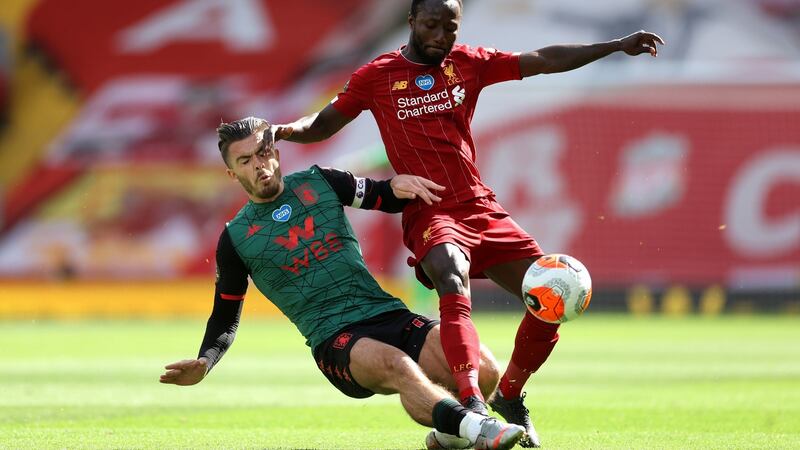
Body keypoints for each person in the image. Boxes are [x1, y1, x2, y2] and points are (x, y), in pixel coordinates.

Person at [273, 0, 665, 447]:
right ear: (412, 22)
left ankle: (509, 395)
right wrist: (284, 130)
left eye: (450, 28)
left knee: (553, 293)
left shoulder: (468, 63)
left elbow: (542, 59)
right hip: (430, 209)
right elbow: (323, 125)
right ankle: (473, 402)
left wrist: (614, 45)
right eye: (431, 25)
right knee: (452, 277)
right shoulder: (377, 76)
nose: (441, 36)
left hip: (481, 206)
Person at [159, 117, 527, 450]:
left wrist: (398, 185)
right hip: (334, 338)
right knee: (399, 366)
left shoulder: (321, 181)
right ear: (232, 173)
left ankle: (448, 437)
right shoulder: (235, 238)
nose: (259, 165)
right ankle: (479, 429)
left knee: (482, 368)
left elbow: (384, 195)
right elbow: (225, 317)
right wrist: (205, 361)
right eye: (245, 160)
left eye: (263, 153)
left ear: (276, 153)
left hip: (386, 312)